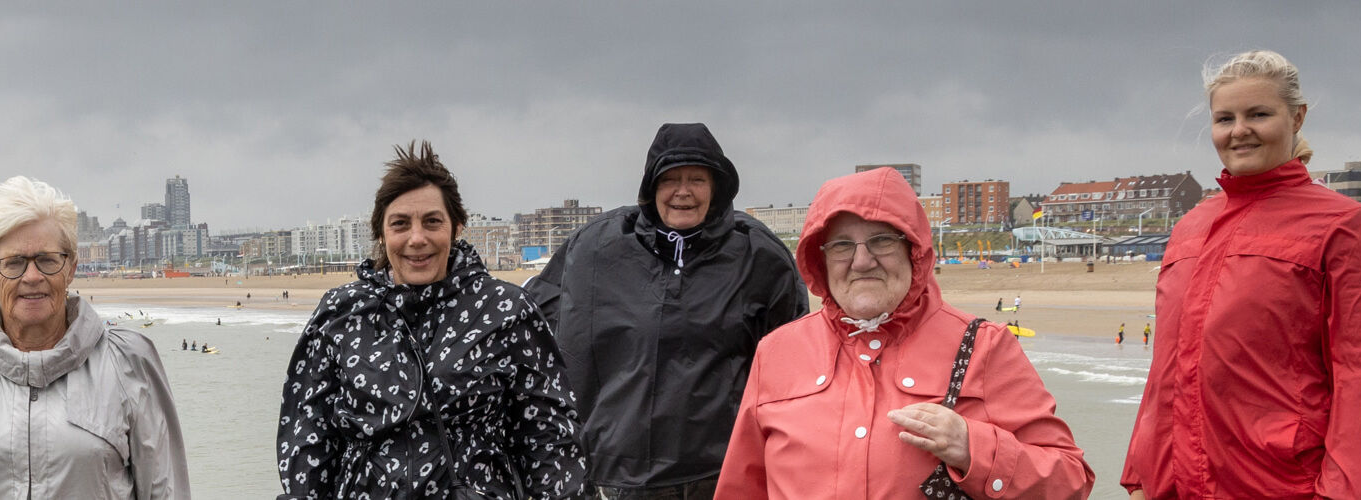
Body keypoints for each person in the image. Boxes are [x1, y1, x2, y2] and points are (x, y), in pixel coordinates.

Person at [717, 167, 1091, 499]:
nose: (862, 261)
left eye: (881, 240)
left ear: (914, 250)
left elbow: (1070, 482)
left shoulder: (984, 346)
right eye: (842, 244)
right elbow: (741, 487)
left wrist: (972, 448)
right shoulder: (777, 351)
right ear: (821, 258)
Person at [1122, 49, 1361, 499]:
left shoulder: (1346, 226)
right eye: (1225, 118)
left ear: (1297, 118)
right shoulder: (1191, 226)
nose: (1239, 130)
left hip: (1280, 485)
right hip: (1172, 484)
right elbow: (1165, 370)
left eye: (1259, 114)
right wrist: (1139, 474)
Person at [277, 142, 586, 498]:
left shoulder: (506, 310)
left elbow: (550, 437)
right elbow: (306, 437)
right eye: (400, 224)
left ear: (456, 227)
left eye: (432, 221)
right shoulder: (341, 313)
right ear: (381, 233)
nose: (417, 238)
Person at [523, 123, 809, 499]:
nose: (683, 192)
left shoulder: (758, 256)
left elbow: (796, 367)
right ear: (651, 187)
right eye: (670, 179)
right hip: (618, 473)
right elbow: (531, 328)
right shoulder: (594, 248)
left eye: (697, 180)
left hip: (721, 471)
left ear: (718, 187)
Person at [0, 176, 190, 499]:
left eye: (47, 260)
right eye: (13, 263)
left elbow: (165, 491)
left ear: (70, 268)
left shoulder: (128, 362)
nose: (32, 276)